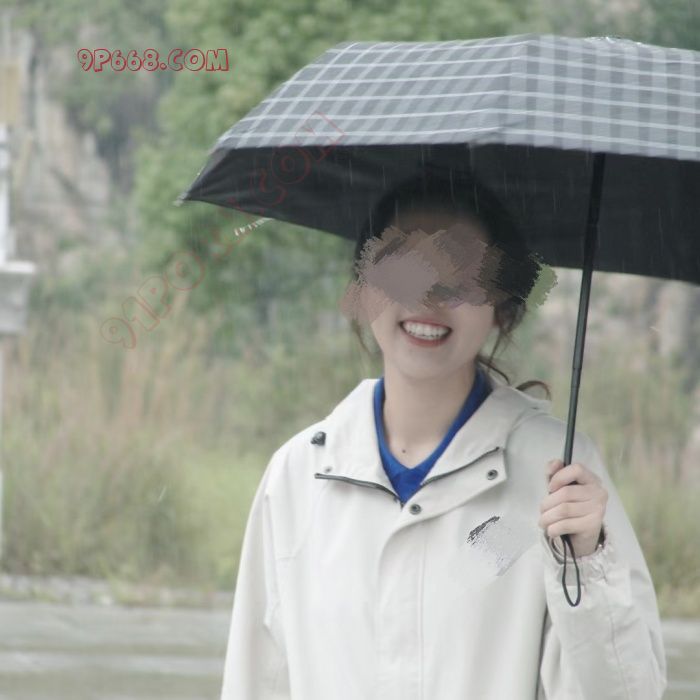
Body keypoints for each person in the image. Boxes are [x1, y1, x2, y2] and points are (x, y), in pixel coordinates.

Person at [219, 169, 668, 699]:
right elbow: (256, 681)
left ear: (501, 308)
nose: (427, 297)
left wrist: (588, 563)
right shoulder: (299, 476)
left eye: (460, 278)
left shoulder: (557, 475)